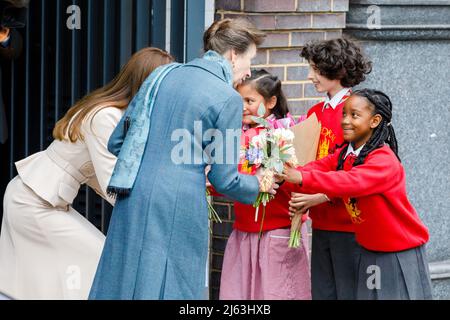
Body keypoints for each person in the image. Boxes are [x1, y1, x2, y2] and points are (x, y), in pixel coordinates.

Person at [89, 18, 277, 300]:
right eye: (249, 60)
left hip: (134, 194)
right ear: (233, 55)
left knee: (122, 281)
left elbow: (119, 142)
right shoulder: (227, 97)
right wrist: (259, 184)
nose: (248, 72)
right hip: (180, 201)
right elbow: (224, 178)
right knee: (169, 287)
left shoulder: (161, 75)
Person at [0, 47, 174, 300]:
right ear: (146, 83)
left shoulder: (114, 112)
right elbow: (112, 181)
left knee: (38, 281)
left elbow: (101, 178)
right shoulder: (106, 116)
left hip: (42, 200)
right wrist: (149, 213)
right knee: (98, 262)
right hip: (33, 202)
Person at [283, 89, 432, 300]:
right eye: (344, 114)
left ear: (375, 120)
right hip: (370, 251)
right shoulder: (345, 154)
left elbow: (350, 182)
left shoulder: (383, 160)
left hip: (397, 254)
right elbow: (318, 167)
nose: (345, 120)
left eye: (355, 115)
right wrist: (282, 176)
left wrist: (300, 177)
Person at [218, 69, 311, 300]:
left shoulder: (284, 134)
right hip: (245, 229)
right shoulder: (239, 133)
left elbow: (295, 180)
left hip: (276, 229)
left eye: (249, 101)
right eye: (238, 100)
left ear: (271, 102)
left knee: (274, 293)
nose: (242, 107)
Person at [295, 38, 372, 299]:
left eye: (316, 70)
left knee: (347, 292)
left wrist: (319, 195)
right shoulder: (316, 110)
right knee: (323, 291)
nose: (310, 76)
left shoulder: (357, 110)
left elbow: (360, 169)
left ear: (337, 71)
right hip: (322, 219)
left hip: (348, 222)